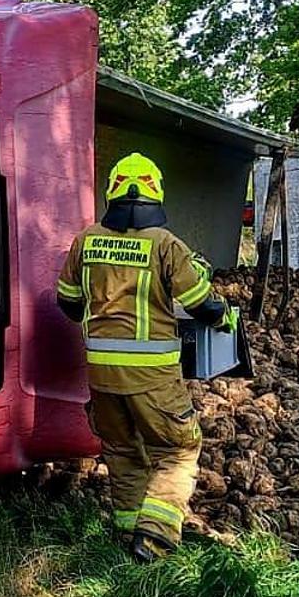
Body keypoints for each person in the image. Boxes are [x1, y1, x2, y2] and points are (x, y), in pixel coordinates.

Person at [55, 152, 238, 562]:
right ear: (156, 193)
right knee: (179, 449)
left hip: (102, 375)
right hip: (152, 377)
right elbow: (201, 305)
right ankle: (154, 538)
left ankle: (128, 533)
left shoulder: (86, 241)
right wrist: (223, 315)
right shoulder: (165, 245)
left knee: (122, 450)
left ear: (113, 191)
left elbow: (67, 302)